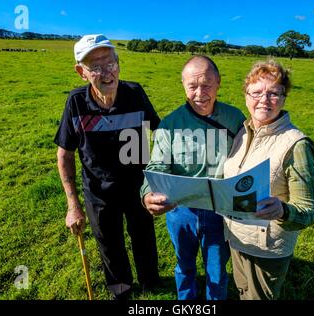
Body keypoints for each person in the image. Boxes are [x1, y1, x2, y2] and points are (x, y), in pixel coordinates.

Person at [54, 34, 161, 300]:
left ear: (118, 63)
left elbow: (161, 134)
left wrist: (161, 177)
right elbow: (64, 155)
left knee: (144, 237)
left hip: (138, 185)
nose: (106, 71)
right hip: (98, 191)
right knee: (110, 245)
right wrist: (72, 205)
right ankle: (121, 290)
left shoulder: (135, 93)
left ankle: (151, 283)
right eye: (96, 66)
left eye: (109, 62)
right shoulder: (76, 102)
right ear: (82, 72)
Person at [141, 55, 246, 300]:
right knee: (184, 265)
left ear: (218, 82)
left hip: (220, 210)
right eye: (192, 86)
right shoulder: (169, 124)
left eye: (207, 85)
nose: (200, 93)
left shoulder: (235, 118)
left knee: (217, 270)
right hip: (181, 211)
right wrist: (147, 193)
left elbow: (249, 157)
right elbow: (156, 164)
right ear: (183, 85)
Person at [222, 59, 314, 300]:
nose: (263, 99)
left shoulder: (296, 144)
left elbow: (308, 212)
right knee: (243, 292)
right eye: (256, 92)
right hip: (236, 238)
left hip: (268, 248)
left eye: (273, 93)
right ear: (246, 96)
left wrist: (283, 211)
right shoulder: (243, 132)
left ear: (284, 99)